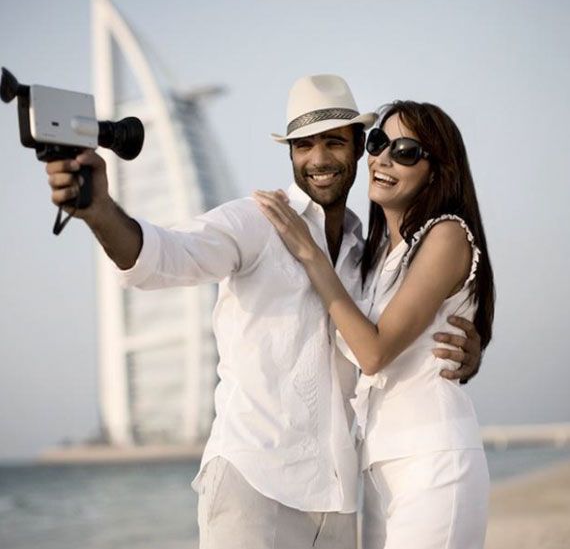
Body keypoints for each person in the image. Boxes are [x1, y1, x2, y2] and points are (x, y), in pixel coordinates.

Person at [45, 77, 482, 549]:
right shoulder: (255, 221)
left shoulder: (366, 254)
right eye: (303, 145)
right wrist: (100, 210)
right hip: (254, 485)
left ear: (357, 148)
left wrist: (470, 347)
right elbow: (162, 257)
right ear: (291, 153)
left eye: (335, 142)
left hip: (338, 501)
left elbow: (403, 329)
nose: (318, 159)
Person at [254, 100, 494, 549]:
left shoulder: (447, 234)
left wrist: (309, 253)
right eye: (380, 143)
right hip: (379, 468)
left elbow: (374, 352)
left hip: (433, 461)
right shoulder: (376, 255)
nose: (383, 159)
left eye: (405, 151)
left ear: (438, 170)